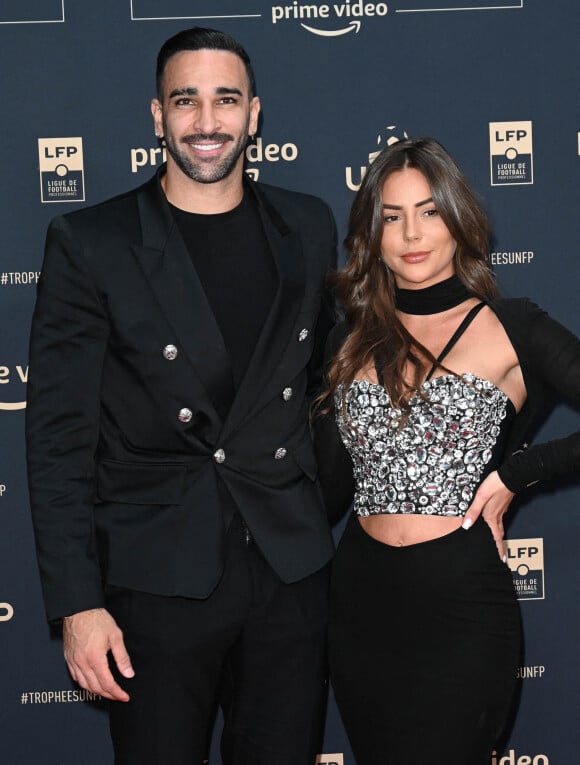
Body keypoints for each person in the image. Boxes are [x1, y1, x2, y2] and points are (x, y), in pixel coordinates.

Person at [26, 26, 337, 765]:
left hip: (289, 571)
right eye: (186, 101)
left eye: (225, 100)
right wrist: (78, 602)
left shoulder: (310, 226)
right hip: (157, 576)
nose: (207, 122)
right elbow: (59, 437)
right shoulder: (90, 241)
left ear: (254, 114)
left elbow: (333, 388)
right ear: (157, 116)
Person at [314, 137, 580, 765]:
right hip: (360, 602)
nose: (412, 233)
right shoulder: (347, 340)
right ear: (371, 233)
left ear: (459, 220)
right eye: (393, 215)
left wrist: (519, 472)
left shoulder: (513, 324)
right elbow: (323, 488)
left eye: (429, 211)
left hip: (462, 606)